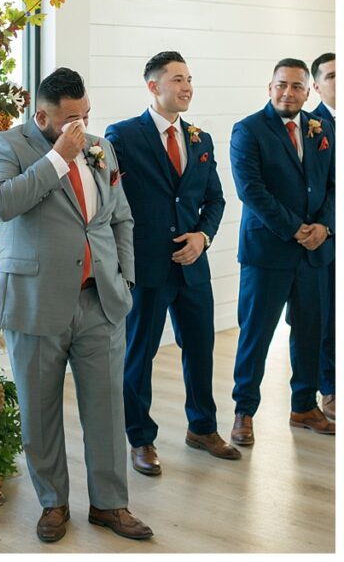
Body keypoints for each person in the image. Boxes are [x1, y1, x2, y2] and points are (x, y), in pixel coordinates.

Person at [0, 67, 152, 543]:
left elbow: (120, 215)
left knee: (107, 408)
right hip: (35, 301)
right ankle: (53, 503)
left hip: (100, 297)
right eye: (72, 118)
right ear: (43, 115)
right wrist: (58, 158)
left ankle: (110, 504)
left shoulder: (101, 147)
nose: (82, 126)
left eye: (87, 115)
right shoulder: (5, 146)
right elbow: (1, 203)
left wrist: (126, 276)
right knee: (39, 411)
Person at [105, 52, 236, 477]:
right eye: (177, 79)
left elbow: (214, 199)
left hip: (193, 266)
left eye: (189, 79)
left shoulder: (201, 139)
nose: (187, 86)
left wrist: (203, 236)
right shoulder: (121, 136)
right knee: (138, 354)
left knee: (201, 350)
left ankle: (202, 428)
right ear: (153, 87)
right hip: (146, 269)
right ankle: (140, 438)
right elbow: (112, 204)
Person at [229, 59, 336, 445]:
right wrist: (295, 228)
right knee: (255, 335)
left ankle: (304, 406)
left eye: (296, 86)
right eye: (281, 85)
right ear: (269, 86)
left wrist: (325, 227)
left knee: (310, 332)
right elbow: (251, 190)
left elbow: (333, 186)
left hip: (314, 253)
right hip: (267, 253)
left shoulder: (322, 129)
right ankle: (244, 412)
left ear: (309, 92)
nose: (287, 93)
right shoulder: (248, 130)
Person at [311, 52, 335, 421]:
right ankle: (329, 389)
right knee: (327, 318)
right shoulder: (311, 124)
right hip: (325, 237)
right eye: (332, 76)